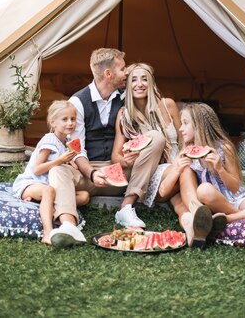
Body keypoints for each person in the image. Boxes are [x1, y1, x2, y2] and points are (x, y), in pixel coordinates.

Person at [48, 48, 166, 236]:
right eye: (122, 68)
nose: (126, 72)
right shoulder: (78, 102)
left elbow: (150, 102)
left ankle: (126, 207)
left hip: (120, 172)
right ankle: (68, 225)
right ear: (108, 74)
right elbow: (76, 149)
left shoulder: (125, 97)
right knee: (57, 170)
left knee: (157, 138)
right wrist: (92, 173)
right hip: (86, 174)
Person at [111, 62, 181, 223]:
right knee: (156, 137)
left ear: (151, 83)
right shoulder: (124, 115)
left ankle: (193, 222)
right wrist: (125, 161)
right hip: (149, 174)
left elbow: (184, 139)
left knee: (182, 189)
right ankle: (126, 205)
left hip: (175, 166)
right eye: (134, 80)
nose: (140, 84)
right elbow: (115, 155)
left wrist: (183, 161)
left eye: (144, 79)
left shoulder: (168, 104)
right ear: (128, 86)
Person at [12, 100, 88, 247]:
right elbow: (37, 169)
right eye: (64, 119)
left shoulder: (65, 140)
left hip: (48, 185)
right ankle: (48, 232)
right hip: (31, 183)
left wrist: (68, 163)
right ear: (53, 123)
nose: (70, 123)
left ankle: (40, 203)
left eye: (73, 119)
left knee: (84, 196)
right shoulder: (49, 140)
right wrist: (59, 161)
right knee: (49, 190)